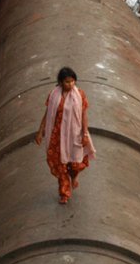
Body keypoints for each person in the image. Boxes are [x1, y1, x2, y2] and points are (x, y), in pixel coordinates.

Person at [35, 67, 95, 204]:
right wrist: (40, 131)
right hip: (57, 135)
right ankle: (64, 193)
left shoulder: (80, 95)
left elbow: (84, 115)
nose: (71, 85)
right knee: (60, 164)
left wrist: (85, 133)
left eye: (73, 81)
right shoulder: (53, 95)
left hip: (74, 133)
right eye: (67, 82)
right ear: (61, 82)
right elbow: (48, 113)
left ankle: (73, 177)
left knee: (75, 163)